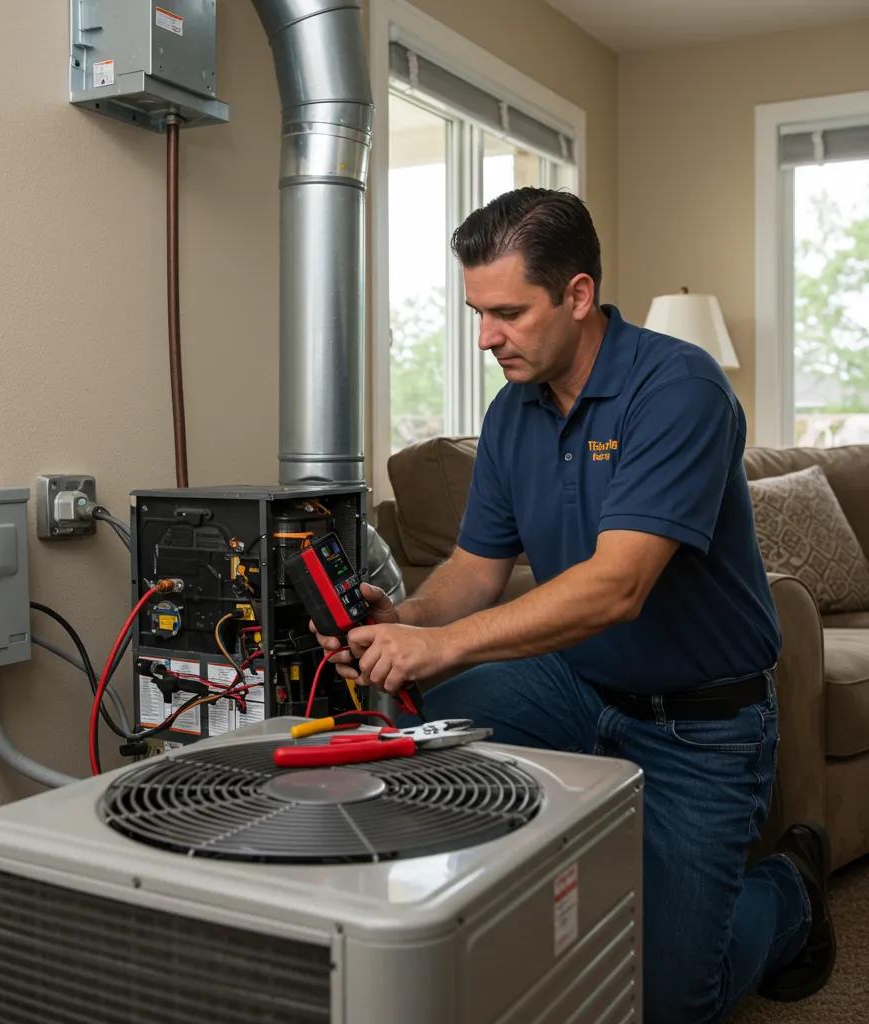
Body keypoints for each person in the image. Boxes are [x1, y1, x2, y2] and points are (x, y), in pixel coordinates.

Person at [313, 188, 836, 1023]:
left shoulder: (679, 388)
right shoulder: (512, 413)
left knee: (667, 1001)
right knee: (417, 726)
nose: (486, 336)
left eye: (509, 313)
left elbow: (617, 585)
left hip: (700, 721)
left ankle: (790, 890)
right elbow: (473, 574)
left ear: (579, 296)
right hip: (576, 684)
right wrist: (406, 622)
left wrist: (447, 647)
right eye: (479, 312)